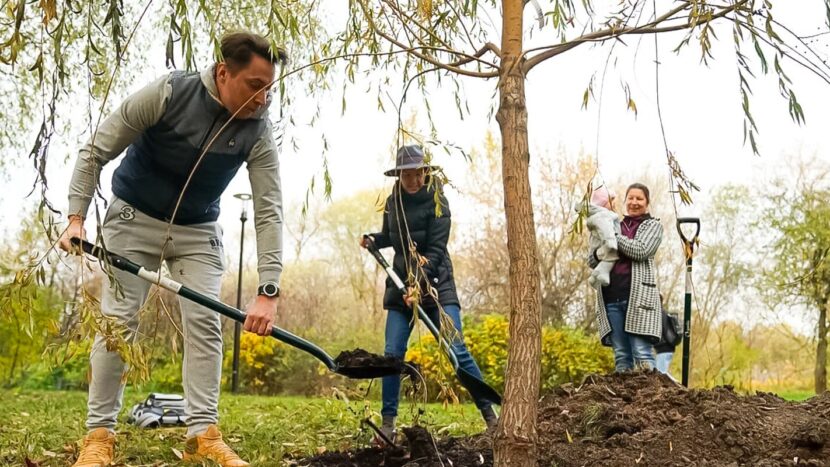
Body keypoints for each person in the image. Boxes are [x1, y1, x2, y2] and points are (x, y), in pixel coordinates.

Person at [57, 31, 287, 467]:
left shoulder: (259, 130)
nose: (262, 98)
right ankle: (99, 435)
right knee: (117, 322)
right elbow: (94, 151)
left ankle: (204, 433)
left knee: (206, 322)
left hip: (197, 229)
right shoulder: (168, 94)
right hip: (133, 218)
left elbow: (269, 210)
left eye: (269, 87)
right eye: (254, 85)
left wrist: (268, 289)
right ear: (223, 72)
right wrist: (75, 217)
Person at [359, 145, 498, 443]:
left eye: (418, 173)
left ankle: (491, 417)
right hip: (400, 286)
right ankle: (388, 425)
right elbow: (390, 236)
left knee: (456, 350)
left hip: (436, 284)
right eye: (407, 174)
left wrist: (418, 285)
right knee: (392, 355)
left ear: (426, 171)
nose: (413, 180)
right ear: (399, 175)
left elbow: (435, 252)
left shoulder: (438, 201)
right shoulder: (392, 202)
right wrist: (374, 239)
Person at [588, 182, 663, 372]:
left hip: (638, 299)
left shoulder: (653, 226)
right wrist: (600, 252)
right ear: (625, 201)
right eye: (630, 198)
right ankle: (624, 402)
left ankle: (651, 399)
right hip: (611, 297)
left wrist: (612, 237)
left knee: (642, 354)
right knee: (621, 355)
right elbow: (592, 259)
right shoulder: (615, 224)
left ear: (647, 202)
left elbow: (640, 250)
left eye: (639, 198)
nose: (634, 202)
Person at [579, 186, 620, 288]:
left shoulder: (601, 215)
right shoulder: (603, 215)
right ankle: (600, 274)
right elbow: (605, 228)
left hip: (602, 245)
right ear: (604, 203)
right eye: (612, 200)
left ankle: (596, 276)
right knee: (612, 255)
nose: (614, 203)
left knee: (610, 257)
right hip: (606, 243)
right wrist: (611, 241)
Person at [655, 296, 682, 380]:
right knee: (662, 374)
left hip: (664, 348)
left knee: (661, 376)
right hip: (667, 348)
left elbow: (660, 331)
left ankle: (677, 387)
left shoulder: (659, 314)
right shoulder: (664, 313)